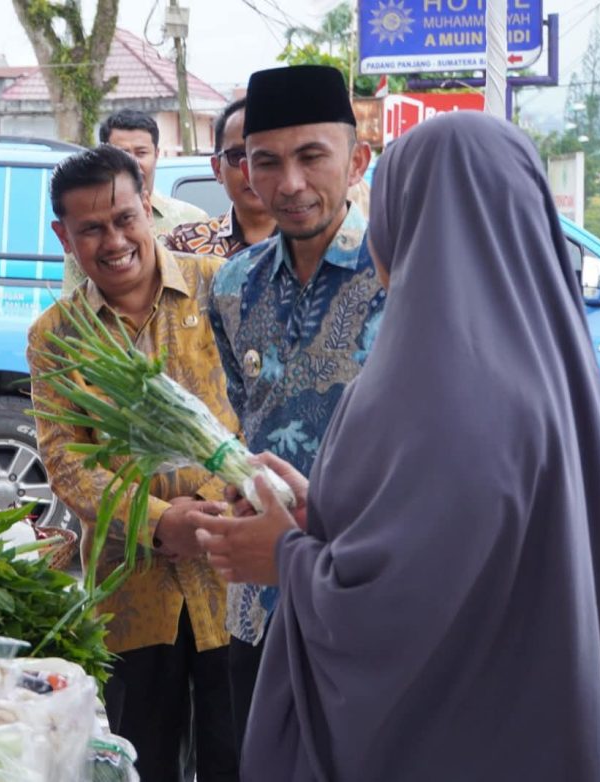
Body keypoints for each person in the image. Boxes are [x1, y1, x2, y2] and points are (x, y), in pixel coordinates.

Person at [199, 111, 600, 780]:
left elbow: (403, 608)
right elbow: (469, 543)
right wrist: (328, 516)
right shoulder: (559, 374)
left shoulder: (429, 383)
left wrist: (286, 557)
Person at [28, 145, 239, 782]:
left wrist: (228, 510)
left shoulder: (222, 287)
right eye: (91, 229)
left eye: (125, 219)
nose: (114, 241)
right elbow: (67, 464)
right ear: (64, 236)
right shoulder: (56, 335)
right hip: (131, 594)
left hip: (237, 582)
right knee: (141, 763)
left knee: (243, 757)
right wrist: (159, 521)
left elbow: (271, 414)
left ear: (147, 209)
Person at [202, 65, 385, 747]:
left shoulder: (404, 276)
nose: (290, 184)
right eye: (266, 162)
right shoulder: (232, 286)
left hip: (362, 596)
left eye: (312, 156)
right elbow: (243, 421)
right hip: (256, 605)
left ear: (357, 158)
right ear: (242, 169)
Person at [61, 109, 208, 292]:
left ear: (157, 154)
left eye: (141, 153)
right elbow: (75, 302)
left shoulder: (193, 219)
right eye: (122, 153)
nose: (132, 163)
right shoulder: (84, 228)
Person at [164, 98, 275, 257]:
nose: (252, 171)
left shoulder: (313, 244)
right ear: (217, 169)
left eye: (266, 158)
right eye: (238, 156)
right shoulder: (184, 245)